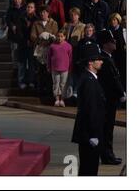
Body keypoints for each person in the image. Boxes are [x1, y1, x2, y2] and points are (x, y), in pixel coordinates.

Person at [72, 42, 106, 176]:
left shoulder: (90, 78)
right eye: (98, 59)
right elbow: (90, 109)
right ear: (90, 63)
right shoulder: (89, 81)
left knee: (89, 168)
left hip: (90, 134)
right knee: (89, 169)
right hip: (90, 135)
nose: (101, 62)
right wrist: (93, 134)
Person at [96, 30, 125, 165]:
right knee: (107, 129)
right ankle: (107, 155)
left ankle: (108, 154)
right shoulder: (104, 59)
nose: (114, 42)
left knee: (108, 128)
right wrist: (121, 93)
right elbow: (113, 80)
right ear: (105, 44)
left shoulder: (108, 57)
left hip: (110, 99)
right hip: (108, 100)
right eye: (111, 41)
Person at [47, 30, 72, 107]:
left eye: (62, 36)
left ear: (64, 37)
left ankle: (62, 99)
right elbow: (49, 57)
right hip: (55, 68)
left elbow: (70, 58)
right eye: (58, 36)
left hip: (65, 68)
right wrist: (49, 66)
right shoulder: (52, 46)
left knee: (63, 84)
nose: (60, 38)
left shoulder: (68, 46)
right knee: (56, 84)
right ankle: (57, 99)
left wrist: (70, 67)